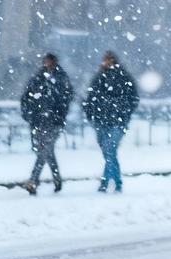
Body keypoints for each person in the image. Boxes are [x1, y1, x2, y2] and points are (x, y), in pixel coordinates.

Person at [83, 51, 140, 193]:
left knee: (109, 151)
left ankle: (104, 183)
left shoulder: (121, 77)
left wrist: (121, 111)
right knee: (110, 153)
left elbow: (132, 99)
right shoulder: (101, 78)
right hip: (104, 120)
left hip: (114, 121)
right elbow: (91, 98)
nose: (105, 62)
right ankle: (117, 182)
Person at [19, 52, 73, 195]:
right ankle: (57, 179)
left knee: (44, 151)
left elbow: (65, 99)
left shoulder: (60, 78)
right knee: (47, 152)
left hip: (52, 121)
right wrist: (29, 114)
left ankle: (33, 181)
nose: (47, 64)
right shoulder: (39, 78)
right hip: (40, 120)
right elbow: (26, 97)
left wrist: (58, 115)